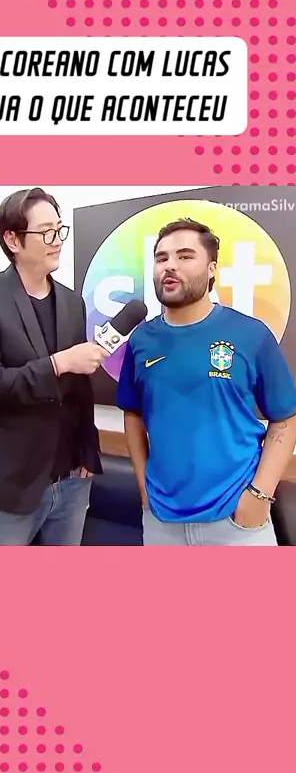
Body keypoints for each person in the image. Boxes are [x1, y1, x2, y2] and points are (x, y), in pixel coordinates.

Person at [117, 217, 296, 546]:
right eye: (161, 258)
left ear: (212, 269)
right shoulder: (141, 340)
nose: (170, 265)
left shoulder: (251, 335)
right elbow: (133, 413)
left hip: (237, 523)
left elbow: (285, 418)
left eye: (185, 256)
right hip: (161, 523)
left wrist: (259, 496)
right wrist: (144, 487)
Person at [0, 187, 108, 545]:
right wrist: (57, 363)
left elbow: (80, 389)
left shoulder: (72, 302)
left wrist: (89, 452)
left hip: (72, 480)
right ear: (12, 239)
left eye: (59, 229)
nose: (58, 241)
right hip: (13, 484)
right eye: (45, 232)